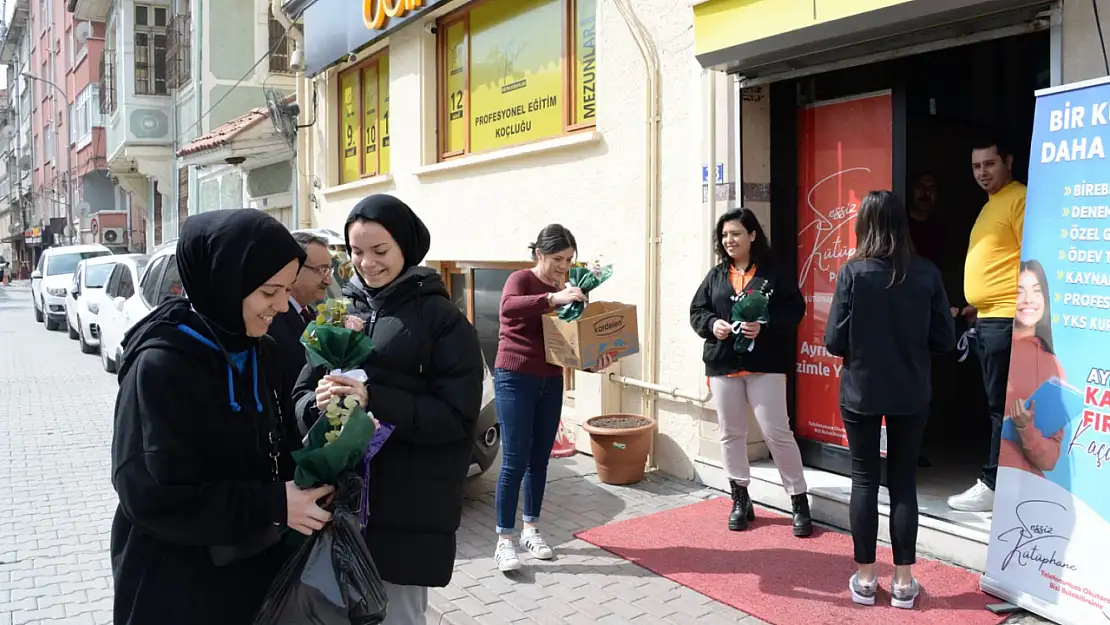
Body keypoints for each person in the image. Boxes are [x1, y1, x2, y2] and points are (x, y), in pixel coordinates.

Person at [110, 209, 335, 625]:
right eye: (269, 292)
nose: (283, 307)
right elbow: (151, 496)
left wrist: (325, 458)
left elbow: (274, 445)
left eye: (286, 290)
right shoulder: (161, 366)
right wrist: (271, 503)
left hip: (250, 575)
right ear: (226, 284)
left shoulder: (257, 349)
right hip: (177, 587)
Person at [293, 194, 484, 623]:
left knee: (397, 615)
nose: (367, 263)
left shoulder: (443, 321)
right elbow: (299, 395)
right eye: (357, 252)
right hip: (336, 506)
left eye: (380, 251)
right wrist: (315, 406)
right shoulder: (339, 313)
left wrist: (374, 397)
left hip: (406, 511)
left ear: (406, 248)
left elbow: (457, 418)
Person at [824, 191, 956, 610]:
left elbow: (832, 341)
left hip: (861, 388)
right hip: (910, 389)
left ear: (863, 225)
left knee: (864, 479)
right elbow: (943, 340)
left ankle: (865, 578)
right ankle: (903, 581)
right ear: (903, 225)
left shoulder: (853, 273)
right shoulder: (926, 273)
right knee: (902, 482)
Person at [491, 224, 615, 572]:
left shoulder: (569, 290)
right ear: (539, 255)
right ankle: (504, 541)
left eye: (569, 259)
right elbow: (509, 308)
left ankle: (531, 529)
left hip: (550, 379)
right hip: (515, 377)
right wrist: (552, 299)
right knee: (514, 459)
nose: (564, 266)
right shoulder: (521, 280)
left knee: (539, 459)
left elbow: (571, 343)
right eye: (558, 258)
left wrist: (594, 362)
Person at [689, 208, 812, 536]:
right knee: (731, 434)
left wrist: (766, 324)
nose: (729, 240)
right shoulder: (716, 275)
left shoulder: (774, 273)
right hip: (723, 365)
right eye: (725, 235)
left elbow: (795, 308)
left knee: (776, 432)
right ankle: (740, 498)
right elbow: (697, 310)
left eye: (736, 234)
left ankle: (798, 499)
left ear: (753, 235)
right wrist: (713, 324)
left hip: (765, 365)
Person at [949, 138, 1026, 512]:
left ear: (1008, 161)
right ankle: (1001, 482)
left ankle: (994, 483)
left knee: (1002, 405)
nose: (982, 172)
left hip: (1007, 318)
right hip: (987, 317)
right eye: (977, 166)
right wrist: (974, 307)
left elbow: (1031, 258)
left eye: (990, 164)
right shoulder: (991, 205)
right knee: (998, 404)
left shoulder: (1018, 199)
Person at [1001, 260, 1066, 475]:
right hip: (987, 477)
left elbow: (1049, 459)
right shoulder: (994, 346)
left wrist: (1025, 428)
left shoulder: (1053, 365)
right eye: (1019, 291)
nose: (1028, 300)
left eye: (1036, 291)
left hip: (1025, 491)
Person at [268, 230, 335, 397]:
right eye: (321, 270)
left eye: (329, 271)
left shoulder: (310, 315)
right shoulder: (270, 319)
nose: (328, 281)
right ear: (294, 267)